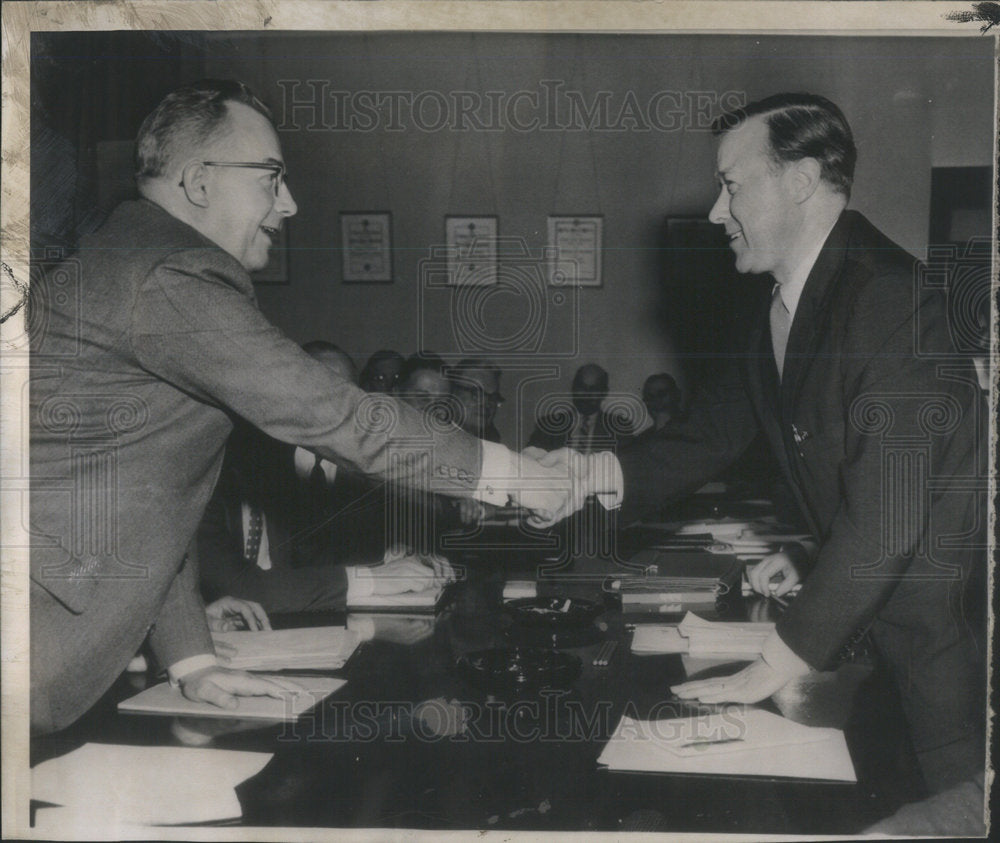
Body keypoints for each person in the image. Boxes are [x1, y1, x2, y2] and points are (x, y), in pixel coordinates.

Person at [28, 79, 581, 733]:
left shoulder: (133, 257)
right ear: (201, 182)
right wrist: (516, 475)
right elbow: (335, 414)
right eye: (271, 177)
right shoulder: (169, 273)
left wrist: (192, 659)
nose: (289, 203)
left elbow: (158, 494)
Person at [554, 93, 986, 794]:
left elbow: (888, 521)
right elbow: (709, 433)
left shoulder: (893, 299)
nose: (715, 213)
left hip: (941, 675)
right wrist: (581, 474)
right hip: (873, 649)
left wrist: (777, 658)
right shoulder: (790, 303)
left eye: (730, 186)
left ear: (801, 180)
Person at [529, 363, 634, 453]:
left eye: (594, 389)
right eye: (581, 387)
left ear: (604, 392)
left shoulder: (619, 429)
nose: (586, 394)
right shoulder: (548, 426)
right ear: (573, 388)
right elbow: (530, 464)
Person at [448, 358, 504, 443]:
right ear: (453, 393)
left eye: (492, 397)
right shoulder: (434, 438)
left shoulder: (495, 448)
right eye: (476, 393)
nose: (485, 403)